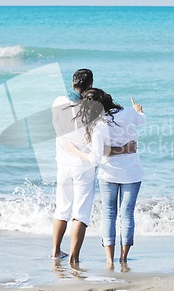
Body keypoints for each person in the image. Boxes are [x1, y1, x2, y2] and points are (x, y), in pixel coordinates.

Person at [51, 70, 137, 264]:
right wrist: (123, 149)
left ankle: (56, 251)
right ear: (90, 86)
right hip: (84, 167)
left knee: (62, 208)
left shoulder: (58, 102)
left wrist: (69, 147)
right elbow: (101, 151)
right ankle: (75, 257)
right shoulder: (90, 112)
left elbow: (56, 127)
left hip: (63, 163)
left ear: (72, 83)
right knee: (80, 213)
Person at [66, 88, 146, 263]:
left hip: (108, 174)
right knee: (127, 214)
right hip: (132, 172)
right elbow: (142, 121)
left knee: (109, 214)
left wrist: (75, 150)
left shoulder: (99, 124)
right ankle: (124, 258)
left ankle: (110, 260)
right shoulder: (128, 112)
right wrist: (138, 110)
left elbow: (95, 159)